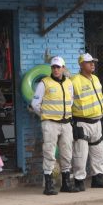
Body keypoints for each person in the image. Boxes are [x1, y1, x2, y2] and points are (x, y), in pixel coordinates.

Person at [31, 56, 77, 195]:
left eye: (58, 67)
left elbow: (71, 101)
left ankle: (66, 183)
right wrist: (45, 116)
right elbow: (35, 104)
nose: (56, 69)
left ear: (63, 68)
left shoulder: (69, 83)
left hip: (66, 123)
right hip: (50, 123)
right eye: (53, 67)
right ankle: (49, 185)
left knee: (67, 153)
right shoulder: (44, 83)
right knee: (49, 153)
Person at [71, 53, 103, 190]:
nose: (92, 64)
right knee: (80, 153)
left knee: (98, 152)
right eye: (89, 62)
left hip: (97, 121)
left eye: (93, 62)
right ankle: (79, 181)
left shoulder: (95, 79)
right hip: (82, 122)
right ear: (81, 65)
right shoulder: (74, 81)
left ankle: (97, 178)